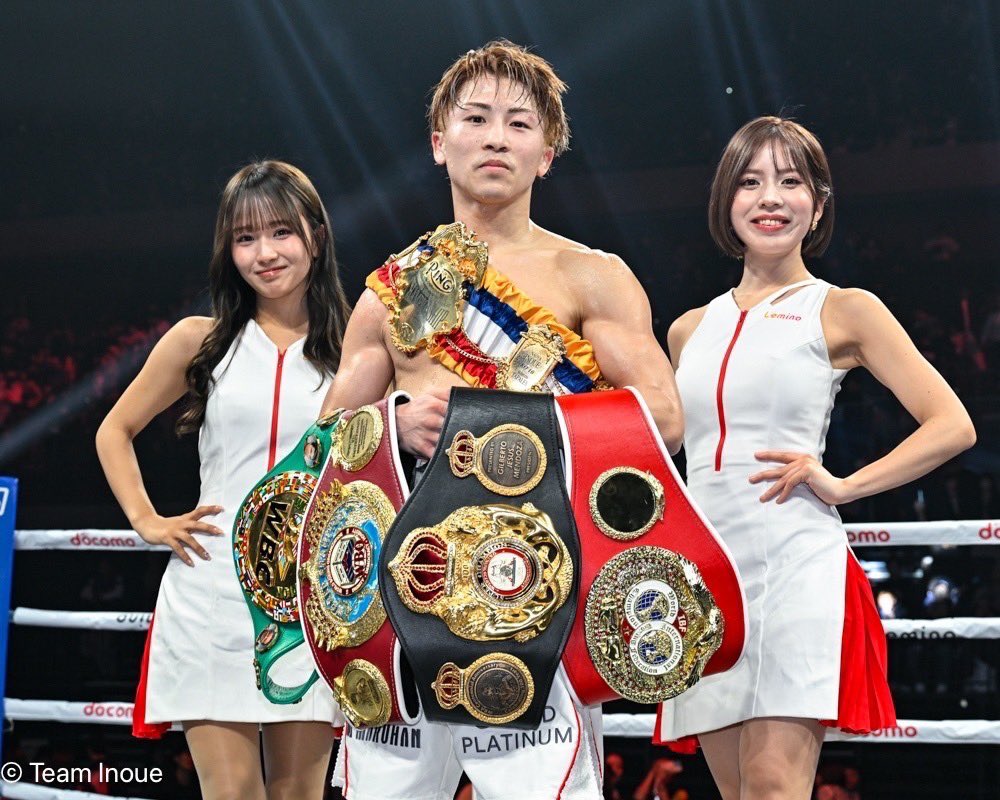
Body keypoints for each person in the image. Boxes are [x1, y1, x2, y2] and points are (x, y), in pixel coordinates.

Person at [323, 40, 682, 800]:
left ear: (545, 155)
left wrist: (509, 428)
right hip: (403, 591)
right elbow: (327, 440)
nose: (495, 138)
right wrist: (394, 420)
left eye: (518, 124)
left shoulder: (593, 276)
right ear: (439, 142)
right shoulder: (390, 292)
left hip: (536, 589)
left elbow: (662, 417)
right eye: (476, 118)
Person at [657, 116, 976, 799]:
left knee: (774, 786)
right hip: (702, 577)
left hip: (792, 564)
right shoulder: (688, 329)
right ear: (726, 201)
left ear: (819, 203)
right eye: (750, 182)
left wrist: (845, 485)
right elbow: (661, 445)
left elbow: (952, 425)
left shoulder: (843, 309)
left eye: (790, 181)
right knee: (737, 791)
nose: (770, 198)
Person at [96, 161, 351, 800]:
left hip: (315, 599)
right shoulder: (199, 340)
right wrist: (147, 520)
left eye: (281, 232)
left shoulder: (357, 349)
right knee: (232, 793)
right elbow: (114, 430)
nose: (265, 253)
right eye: (245, 238)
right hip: (211, 591)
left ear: (316, 235)